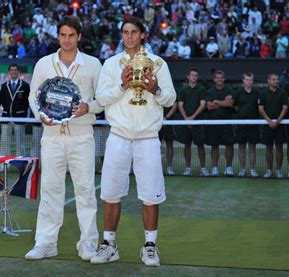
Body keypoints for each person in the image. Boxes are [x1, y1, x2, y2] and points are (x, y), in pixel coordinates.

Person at [92, 17, 176, 267]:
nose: (129, 36)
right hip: (118, 136)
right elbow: (101, 97)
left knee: (150, 194)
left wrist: (155, 90)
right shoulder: (110, 64)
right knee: (110, 192)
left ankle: (150, 246)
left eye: (133, 32)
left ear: (142, 35)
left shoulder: (158, 64)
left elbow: (170, 98)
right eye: (125, 32)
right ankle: (109, 244)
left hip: (148, 137)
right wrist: (122, 85)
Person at [25, 16, 104, 261]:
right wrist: (42, 116)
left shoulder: (92, 64)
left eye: (71, 35)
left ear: (79, 36)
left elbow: (103, 99)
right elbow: (33, 96)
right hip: (51, 137)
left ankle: (88, 243)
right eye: (62, 35)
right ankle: (46, 243)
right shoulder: (44, 63)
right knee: (50, 190)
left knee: (85, 190)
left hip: (82, 136)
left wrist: (88, 107)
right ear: (57, 36)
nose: (66, 40)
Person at [177, 68, 208, 176]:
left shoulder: (202, 89)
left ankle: (203, 168)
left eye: (196, 75)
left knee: (200, 145)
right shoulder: (183, 90)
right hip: (186, 123)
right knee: (187, 145)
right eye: (192, 75)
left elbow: (203, 104)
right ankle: (188, 168)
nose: (194, 77)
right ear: (188, 77)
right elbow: (180, 105)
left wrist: (192, 118)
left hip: (198, 123)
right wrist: (186, 119)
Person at [258, 73, 288, 178]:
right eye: (274, 80)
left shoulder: (283, 93)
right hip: (267, 125)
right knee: (269, 148)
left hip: (279, 125)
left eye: (277, 79)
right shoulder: (263, 93)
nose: (276, 81)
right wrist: (270, 121)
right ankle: (269, 170)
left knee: (279, 147)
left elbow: (285, 108)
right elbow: (261, 109)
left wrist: (277, 121)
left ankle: (279, 170)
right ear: (269, 81)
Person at [206, 70, 235, 176]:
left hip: (227, 122)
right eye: (217, 78)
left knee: (229, 146)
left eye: (221, 78)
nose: (219, 79)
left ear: (224, 79)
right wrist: (224, 102)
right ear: (214, 79)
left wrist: (216, 101)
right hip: (213, 123)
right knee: (214, 146)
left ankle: (229, 168)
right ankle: (214, 168)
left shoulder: (230, 90)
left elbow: (230, 104)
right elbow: (209, 106)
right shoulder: (209, 91)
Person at [0, 64, 30, 160]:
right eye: (12, 70)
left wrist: (23, 115)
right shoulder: (4, 86)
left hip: (19, 118)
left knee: (20, 142)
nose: (13, 72)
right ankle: (4, 162)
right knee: (4, 142)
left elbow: (26, 102)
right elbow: (2, 101)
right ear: (9, 72)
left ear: (18, 71)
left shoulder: (25, 85)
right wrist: (8, 110)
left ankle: (20, 163)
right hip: (6, 117)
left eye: (15, 70)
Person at [234, 72, 260, 177]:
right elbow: (235, 106)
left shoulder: (257, 92)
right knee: (241, 147)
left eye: (251, 80)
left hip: (253, 124)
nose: (249, 82)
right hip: (241, 124)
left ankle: (253, 169)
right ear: (243, 81)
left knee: (252, 148)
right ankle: (242, 169)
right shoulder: (238, 92)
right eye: (247, 80)